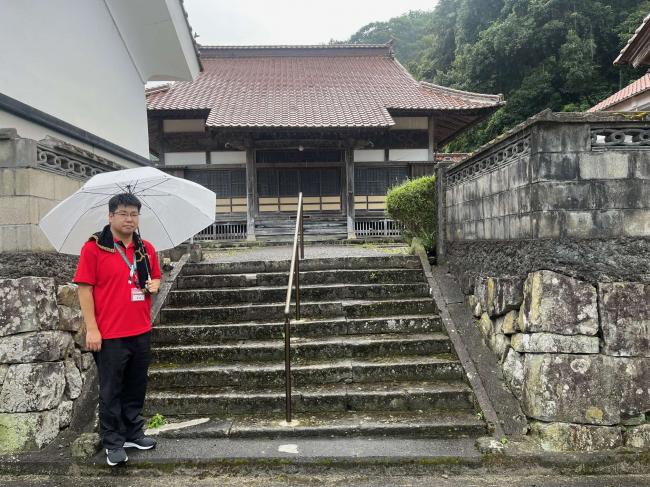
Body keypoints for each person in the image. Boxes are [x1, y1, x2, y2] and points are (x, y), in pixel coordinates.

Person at [74, 193, 161, 466]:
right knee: (111, 390)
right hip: (110, 333)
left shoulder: (145, 248)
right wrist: (92, 329)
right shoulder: (95, 248)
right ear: (110, 216)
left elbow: (154, 277)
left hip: (140, 329)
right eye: (123, 213)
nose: (129, 219)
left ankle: (133, 432)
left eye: (134, 214)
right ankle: (112, 441)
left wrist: (155, 284)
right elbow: (84, 289)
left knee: (136, 385)